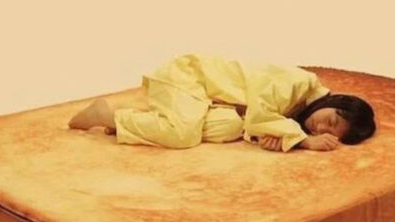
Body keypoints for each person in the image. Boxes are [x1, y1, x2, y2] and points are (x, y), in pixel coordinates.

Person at [68, 53, 376, 152]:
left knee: (230, 127)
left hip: (211, 101)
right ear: (336, 101)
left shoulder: (297, 112)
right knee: (183, 136)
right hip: (187, 77)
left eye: (329, 132)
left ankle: (140, 122)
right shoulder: (298, 84)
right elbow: (259, 116)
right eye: (330, 120)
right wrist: (302, 141)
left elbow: (254, 125)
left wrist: (276, 138)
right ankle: (107, 116)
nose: (320, 127)